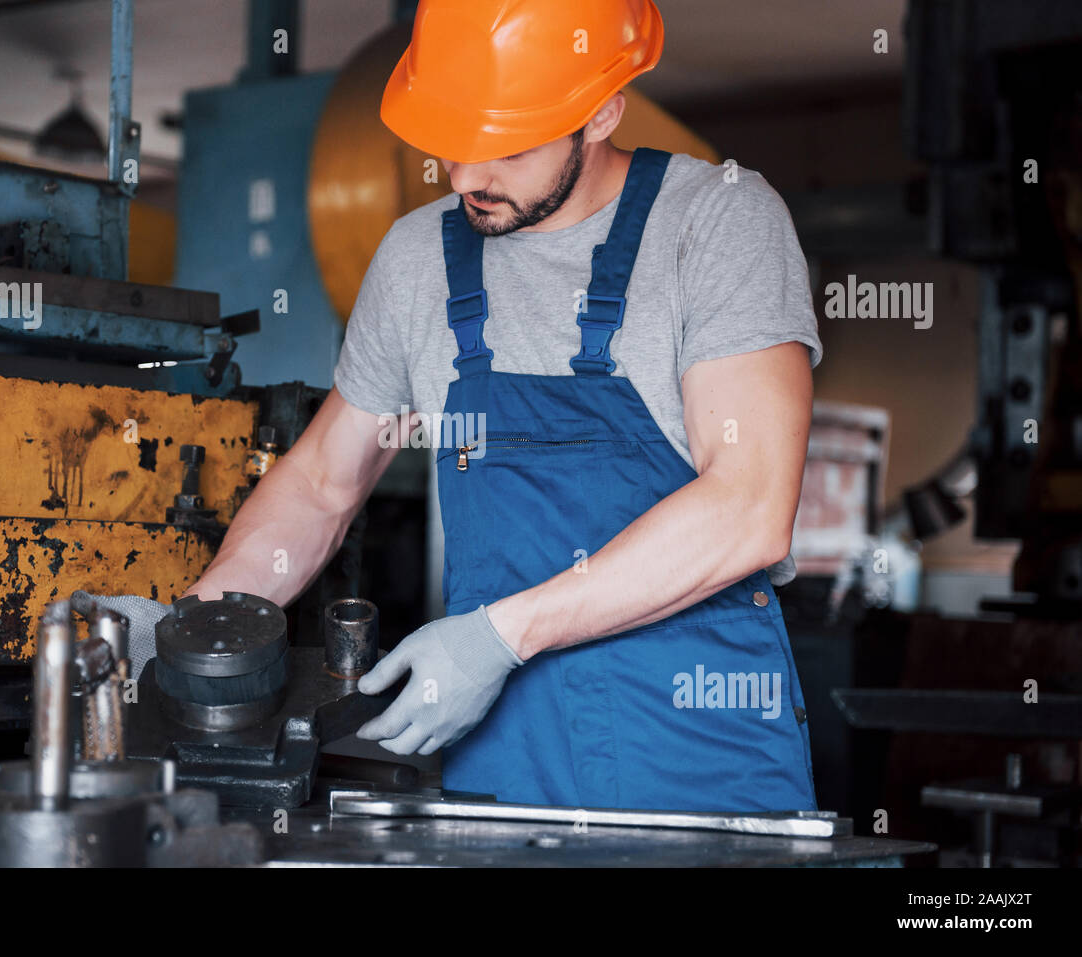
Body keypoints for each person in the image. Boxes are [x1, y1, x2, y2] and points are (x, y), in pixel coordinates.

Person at [84, 0, 821, 812]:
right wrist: (197, 629)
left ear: (603, 110)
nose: (466, 177)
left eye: (505, 142)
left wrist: (497, 638)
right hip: (503, 764)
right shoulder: (415, 262)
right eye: (451, 140)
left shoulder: (718, 222)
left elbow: (749, 506)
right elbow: (322, 484)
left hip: (696, 757)